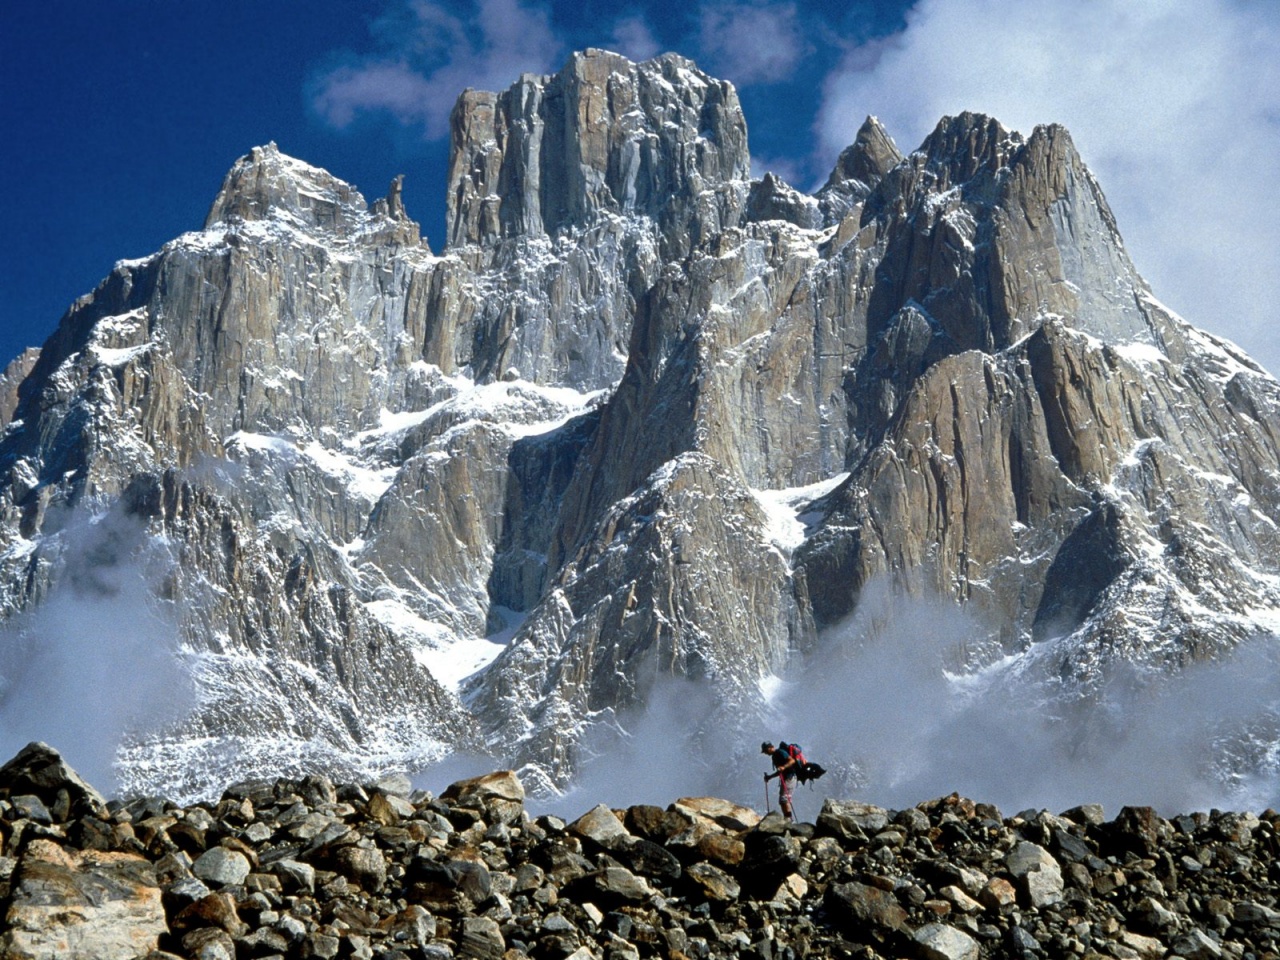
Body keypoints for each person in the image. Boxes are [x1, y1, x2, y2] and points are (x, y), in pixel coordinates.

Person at [762, 740, 797, 821]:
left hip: (790, 777)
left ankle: (788, 820)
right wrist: (769, 777)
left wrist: (784, 767)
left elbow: (792, 760)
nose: (765, 753)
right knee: (783, 799)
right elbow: (779, 771)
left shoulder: (780, 752)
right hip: (786, 778)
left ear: (770, 748)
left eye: (765, 750)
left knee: (784, 799)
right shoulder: (774, 756)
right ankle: (787, 818)